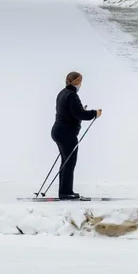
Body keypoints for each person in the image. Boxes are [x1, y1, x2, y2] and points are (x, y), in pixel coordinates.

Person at [51, 71, 101, 200]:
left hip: (58, 131)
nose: (81, 84)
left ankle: (65, 191)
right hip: (66, 133)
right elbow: (79, 114)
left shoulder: (62, 93)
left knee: (65, 161)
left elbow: (71, 112)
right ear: (76, 82)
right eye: (80, 81)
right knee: (69, 163)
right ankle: (66, 193)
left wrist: (81, 111)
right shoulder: (72, 95)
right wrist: (94, 113)